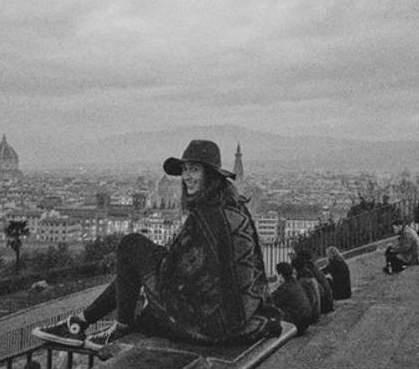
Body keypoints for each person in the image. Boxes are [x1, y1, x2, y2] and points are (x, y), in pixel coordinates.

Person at [32, 140, 281, 350]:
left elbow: (176, 273)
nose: (186, 177)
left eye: (193, 169)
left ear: (210, 174)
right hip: (235, 314)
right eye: (185, 170)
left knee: (131, 245)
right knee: (136, 264)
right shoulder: (234, 208)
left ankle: (110, 326)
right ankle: (80, 323)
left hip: (210, 324)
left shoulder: (207, 216)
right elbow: (211, 266)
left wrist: (150, 270)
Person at [271, 262, 313, 335]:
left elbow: (272, 302)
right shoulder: (295, 282)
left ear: (280, 275)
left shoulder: (285, 287)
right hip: (305, 321)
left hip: (296, 324)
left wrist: (277, 285)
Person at [290, 256, 321, 324]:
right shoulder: (308, 274)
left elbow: (312, 299)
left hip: (311, 315)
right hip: (315, 311)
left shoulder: (304, 280)